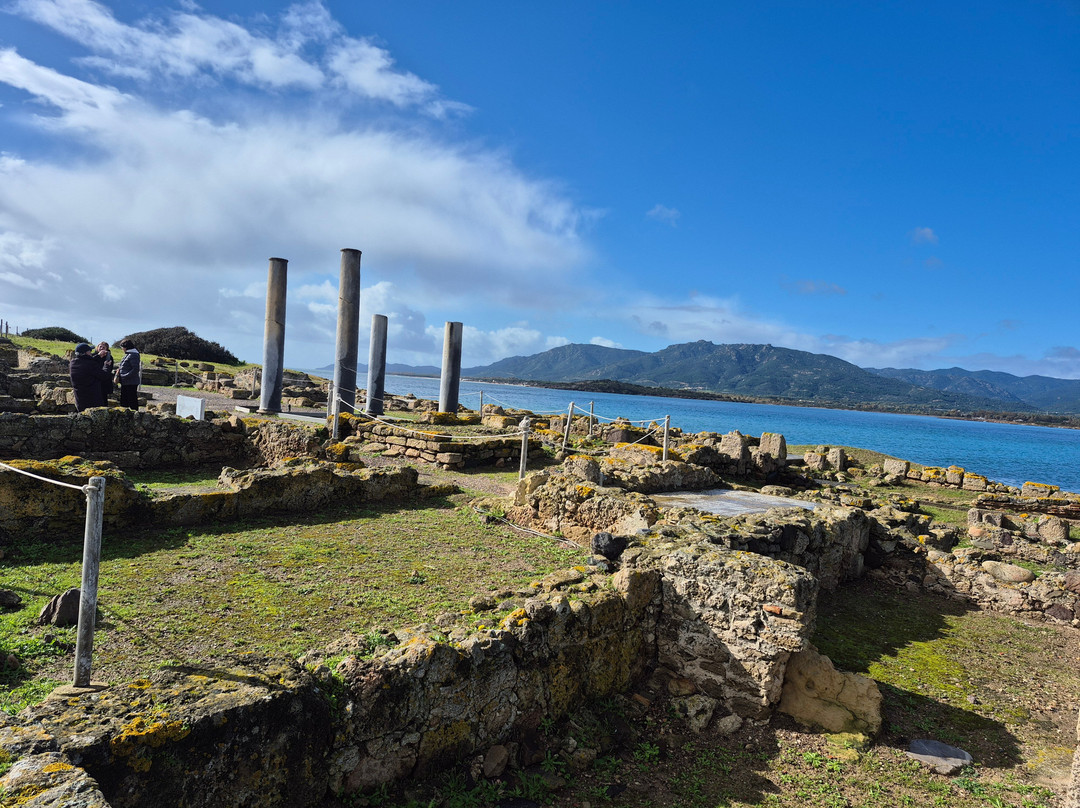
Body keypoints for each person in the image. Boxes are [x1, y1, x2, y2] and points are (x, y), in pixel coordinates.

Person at [68, 342, 113, 412]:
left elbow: (86, 362)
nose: (91, 352)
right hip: (93, 400)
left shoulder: (73, 363)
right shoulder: (90, 364)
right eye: (89, 351)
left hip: (80, 399)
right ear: (86, 353)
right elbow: (104, 376)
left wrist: (98, 356)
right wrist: (106, 366)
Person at [115, 338, 142, 410]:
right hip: (126, 382)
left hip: (131, 382)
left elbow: (135, 369)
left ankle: (134, 417)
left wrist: (125, 376)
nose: (122, 349)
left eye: (122, 347)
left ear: (125, 347)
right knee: (124, 401)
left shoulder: (133, 355)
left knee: (132, 401)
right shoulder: (129, 354)